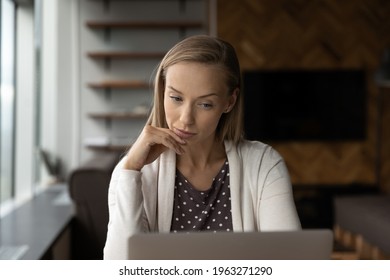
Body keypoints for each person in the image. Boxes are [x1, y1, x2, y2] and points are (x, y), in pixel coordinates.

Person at [103, 35, 301, 260]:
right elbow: (120, 268)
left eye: (205, 104)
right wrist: (129, 171)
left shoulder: (264, 166)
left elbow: (289, 262)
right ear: (162, 91)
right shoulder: (133, 173)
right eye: (176, 98)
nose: (186, 119)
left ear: (229, 101)